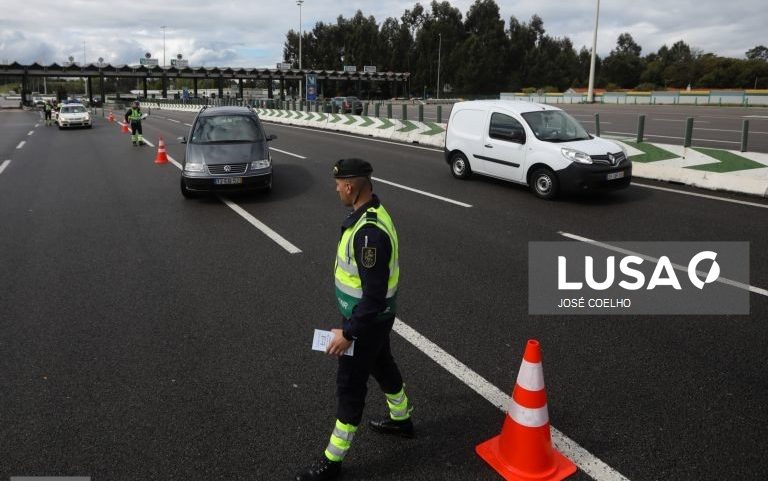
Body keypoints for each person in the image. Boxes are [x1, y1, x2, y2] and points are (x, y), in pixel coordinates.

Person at [295, 158, 415, 481]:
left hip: (365, 323)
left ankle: (331, 462)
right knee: (382, 364)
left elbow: (373, 296)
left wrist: (348, 333)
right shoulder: (373, 213)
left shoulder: (368, 235)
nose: (336, 189)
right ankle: (402, 419)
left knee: (349, 386)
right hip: (374, 320)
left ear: (350, 186)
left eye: (338, 185)